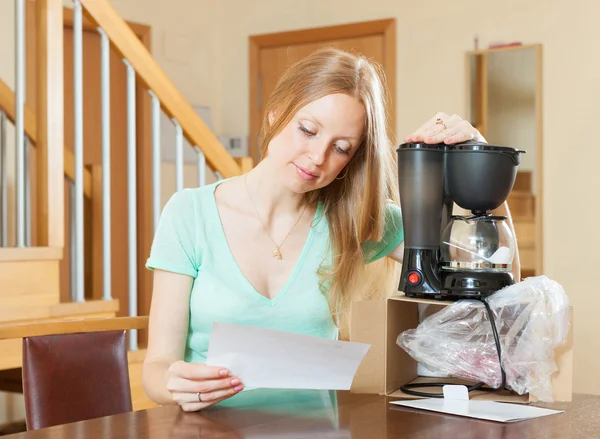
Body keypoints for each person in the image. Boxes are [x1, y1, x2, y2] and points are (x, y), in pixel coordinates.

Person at [142, 47, 520, 412]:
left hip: (315, 429)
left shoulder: (356, 219)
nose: (318, 157)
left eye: (341, 148)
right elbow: (156, 371)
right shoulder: (189, 213)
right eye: (307, 130)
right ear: (276, 113)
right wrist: (176, 385)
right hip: (207, 429)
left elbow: (497, 274)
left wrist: (482, 164)